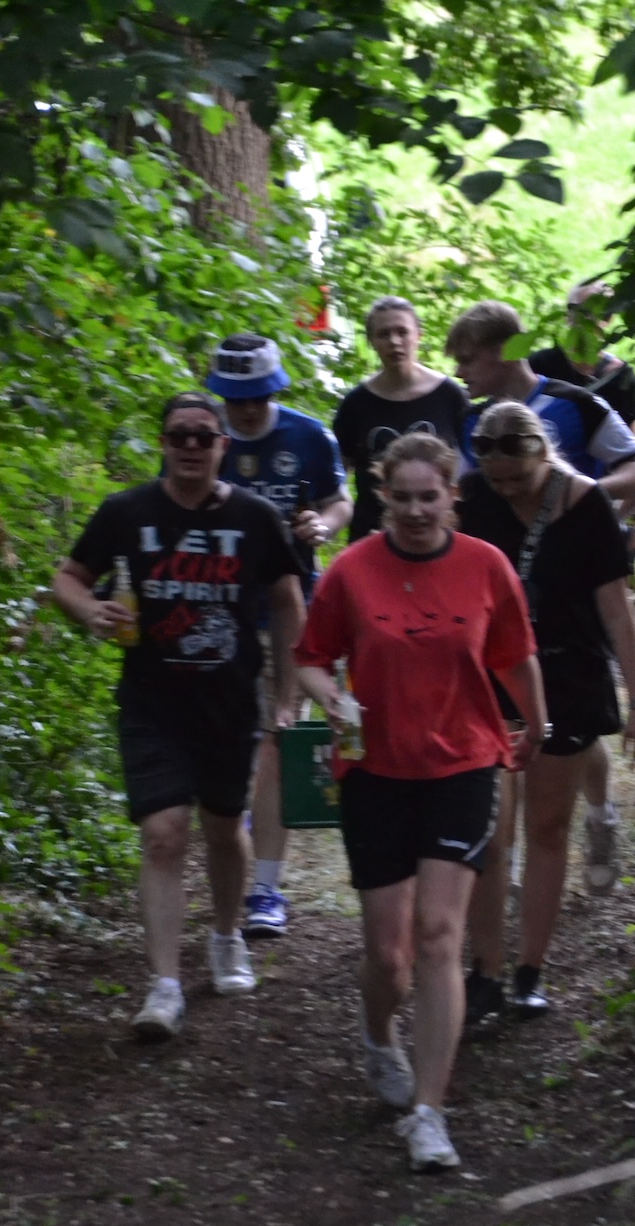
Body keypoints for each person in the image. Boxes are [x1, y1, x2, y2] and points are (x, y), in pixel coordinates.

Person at [295, 433, 546, 1173]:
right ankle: (379, 1033)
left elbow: (514, 654)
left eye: (427, 497)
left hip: (464, 761)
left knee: (439, 933)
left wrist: (538, 723)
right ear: (382, 496)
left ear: (452, 495)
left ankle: (430, 1114)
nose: (414, 510)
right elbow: (309, 657)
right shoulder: (351, 570)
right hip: (375, 769)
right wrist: (330, 698)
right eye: (400, 498)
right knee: (390, 955)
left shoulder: (486, 565)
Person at [52, 391, 306, 1040]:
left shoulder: (254, 517)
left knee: (223, 825)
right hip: (152, 701)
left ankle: (226, 936)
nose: (191, 445)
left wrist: (288, 693)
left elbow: (287, 600)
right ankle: (163, 986)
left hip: (229, 701)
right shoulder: (126, 512)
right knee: (164, 834)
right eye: (178, 435)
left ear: (223, 445)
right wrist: (89, 610)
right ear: (163, 444)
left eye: (202, 435)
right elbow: (68, 578)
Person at [447, 299, 635, 895]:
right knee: (513, 741)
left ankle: (599, 812)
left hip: (574, 587)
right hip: (510, 607)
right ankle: (509, 863)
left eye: (468, 359)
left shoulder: (575, 403)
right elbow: (467, 503)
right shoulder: (475, 425)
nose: (460, 372)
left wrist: (580, 502)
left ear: (502, 351)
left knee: (575, 732)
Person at [458, 401, 635, 1020]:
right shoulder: (472, 498)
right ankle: (485, 969)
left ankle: (530, 971)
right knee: (490, 831)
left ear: (543, 453)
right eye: (498, 480)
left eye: (519, 477)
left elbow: (617, 608)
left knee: (546, 827)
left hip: (568, 675)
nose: (509, 489)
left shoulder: (586, 503)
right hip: (492, 677)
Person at [205, 333, 352, 937]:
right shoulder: (200, 439)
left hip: (292, 613)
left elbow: (340, 501)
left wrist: (324, 525)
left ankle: (265, 888)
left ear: (275, 391)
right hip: (215, 615)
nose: (245, 411)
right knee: (227, 748)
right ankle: (235, 830)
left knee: (278, 741)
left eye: (256, 398)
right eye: (234, 399)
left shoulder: (309, 437)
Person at [332, 296, 468, 542]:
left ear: (418, 335)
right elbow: (335, 475)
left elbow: (471, 466)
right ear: (372, 341)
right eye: (384, 334)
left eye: (402, 332)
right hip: (372, 535)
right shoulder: (356, 403)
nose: (394, 341)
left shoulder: (450, 396)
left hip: (437, 533)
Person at [530, 280, 635, 431]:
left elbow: (631, 435)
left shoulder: (621, 377)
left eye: (589, 312)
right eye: (574, 309)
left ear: (608, 319)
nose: (581, 319)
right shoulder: (541, 364)